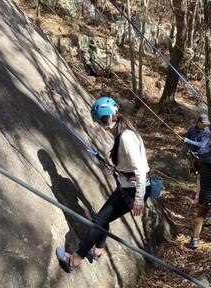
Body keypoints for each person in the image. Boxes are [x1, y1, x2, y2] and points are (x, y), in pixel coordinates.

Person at [56, 97, 151, 272]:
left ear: (104, 120)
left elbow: (140, 170)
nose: (100, 126)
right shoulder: (125, 132)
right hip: (128, 186)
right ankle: (98, 250)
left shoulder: (126, 137)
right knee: (102, 217)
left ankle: (75, 260)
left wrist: (138, 199)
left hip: (134, 189)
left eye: (99, 122)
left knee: (98, 221)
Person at [183, 113, 211, 198]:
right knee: (196, 173)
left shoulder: (207, 132)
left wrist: (189, 141)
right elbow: (186, 140)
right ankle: (198, 191)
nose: (206, 125)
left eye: (206, 124)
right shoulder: (191, 129)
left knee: (200, 175)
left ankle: (199, 193)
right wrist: (187, 148)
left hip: (203, 155)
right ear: (199, 122)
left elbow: (202, 144)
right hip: (193, 154)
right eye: (204, 123)